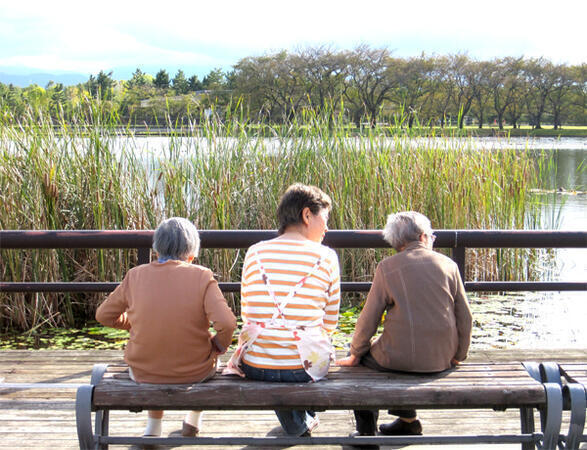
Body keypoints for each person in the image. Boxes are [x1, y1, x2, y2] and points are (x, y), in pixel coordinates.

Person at [337, 211, 472, 448]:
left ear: (398, 242)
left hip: (397, 360)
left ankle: (366, 435)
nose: (433, 239)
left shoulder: (387, 267)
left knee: (360, 365)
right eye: (432, 235)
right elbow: (465, 317)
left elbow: (369, 319)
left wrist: (355, 353)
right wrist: (459, 355)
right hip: (441, 360)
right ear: (423, 237)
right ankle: (408, 420)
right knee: (395, 356)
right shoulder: (449, 265)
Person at [96, 217, 237, 438]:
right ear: (191, 254)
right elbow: (227, 324)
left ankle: (153, 428)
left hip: (143, 371)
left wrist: (136, 323)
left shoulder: (135, 276)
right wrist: (218, 344)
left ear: (156, 249)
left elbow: (104, 315)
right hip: (194, 371)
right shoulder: (202, 276)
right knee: (208, 351)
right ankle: (192, 422)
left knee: (158, 349)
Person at [223, 183, 341, 437]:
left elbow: (248, 314)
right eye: (325, 218)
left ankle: (300, 422)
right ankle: (301, 423)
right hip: (304, 368)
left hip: (255, 364)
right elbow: (330, 323)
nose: (327, 227)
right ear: (307, 214)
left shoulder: (254, 252)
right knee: (308, 357)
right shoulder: (327, 256)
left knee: (276, 362)